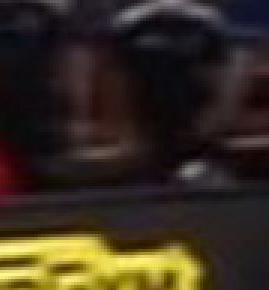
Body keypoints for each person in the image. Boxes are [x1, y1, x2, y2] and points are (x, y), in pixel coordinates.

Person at [105, 0, 250, 182]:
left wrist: (207, 127)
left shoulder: (207, 24)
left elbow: (224, 80)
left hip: (198, 129)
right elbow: (118, 82)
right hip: (149, 130)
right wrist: (129, 134)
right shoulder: (129, 25)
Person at [0, 0, 80, 192]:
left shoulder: (48, 13)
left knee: (53, 177)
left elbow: (69, 61)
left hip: (44, 107)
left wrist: (76, 114)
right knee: (4, 177)